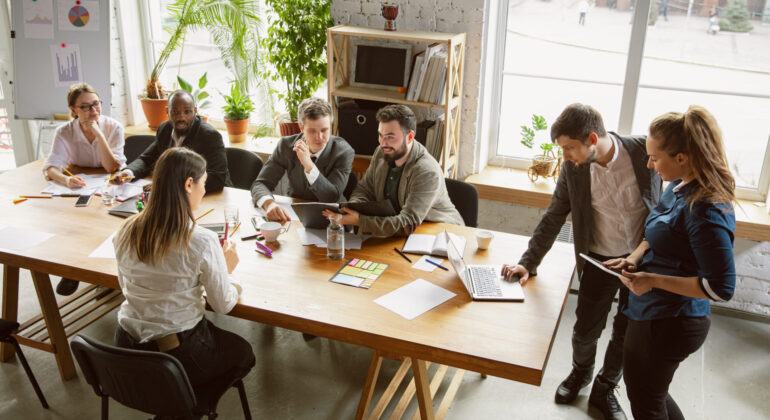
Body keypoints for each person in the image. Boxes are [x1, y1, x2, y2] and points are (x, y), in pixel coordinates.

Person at [501, 103, 662, 420]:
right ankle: (581, 373)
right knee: (584, 331)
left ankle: (605, 387)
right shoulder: (573, 170)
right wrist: (527, 262)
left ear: (591, 138)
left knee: (626, 333)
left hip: (642, 261)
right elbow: (553, 216)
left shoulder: (645, 151)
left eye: (568, 148)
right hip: (600, 259)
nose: (564, 157)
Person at [605, 106, 735, 420]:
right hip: (653, 312)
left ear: (682, 157)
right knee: (652, 394)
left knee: (646, 402)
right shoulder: (678, 187)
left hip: (671, 321)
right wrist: (634, 258)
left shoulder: (705, 210)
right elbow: (658, 231)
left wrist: (652, 280)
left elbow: (720, 288)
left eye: (655, 158)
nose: (649, 165)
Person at [113, 147, 255, 408]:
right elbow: (223, 305)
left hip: (125, 348)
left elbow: (126, 288)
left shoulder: (125, 230)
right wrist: (227, 272)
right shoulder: (201, 240)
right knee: (244, 353)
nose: (204, 190)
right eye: (203, 183)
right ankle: (186, 408)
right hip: (175, 354)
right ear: (189, 184)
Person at [325, 104, 463, 237]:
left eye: (390, 137)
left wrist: (360, 220)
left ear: (409, 137)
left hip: (439, 234)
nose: (383, 143)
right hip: (400, 232)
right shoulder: (381, 152)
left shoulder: (426, 171)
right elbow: (365, 189)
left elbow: (407, 224)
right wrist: (353, 208)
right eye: (380, 135)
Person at [43, 83, 126, 296]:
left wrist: (98, 133)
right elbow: (51, 167)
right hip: (80, 185)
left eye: (96, 105)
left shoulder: (113, 126)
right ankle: (72, 270)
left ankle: (109, 275)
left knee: (108, 223)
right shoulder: (65, 131)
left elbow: (112, 167)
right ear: (73, 110)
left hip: (110, 184)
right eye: (86, 107)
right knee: (73, 226)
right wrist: (65, 180)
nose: (93, 111)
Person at [251, 97, 354, 222]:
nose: (319, 137)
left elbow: (331, 197)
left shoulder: (344, 151)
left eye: (324, 130)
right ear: (301, 128)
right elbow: (260, 184)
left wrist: (309, 166)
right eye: (312, 131)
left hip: (332, 220)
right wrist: (269, 204)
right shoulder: (286, 146)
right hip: (295, 216)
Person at [114, 90, 230, 193]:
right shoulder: (164, 129)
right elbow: (147, 159)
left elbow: (217, 179)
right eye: (175, 112)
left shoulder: (209, 136)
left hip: (209, 196)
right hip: (176, 197)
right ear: (167, 111)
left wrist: (169, 186)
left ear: (195, 111)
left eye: (187, 112)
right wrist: (129, 173)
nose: (181, 118)